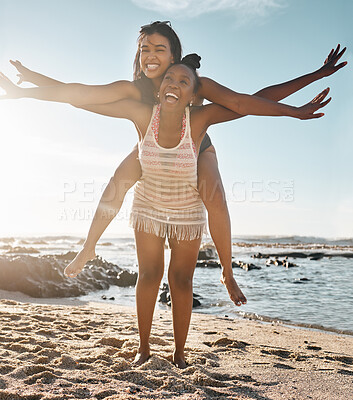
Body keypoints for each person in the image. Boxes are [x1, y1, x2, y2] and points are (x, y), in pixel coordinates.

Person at [0, 50, 331, 367]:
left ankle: (184, 344)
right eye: (169, 79)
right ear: (159, 89)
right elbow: (81, 97)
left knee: (181, 279)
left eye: (183, 82)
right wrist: (27, 88)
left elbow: (248, 102)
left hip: (187, 201)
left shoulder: (201, 118)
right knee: (147, 271)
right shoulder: (142, 111)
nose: (173, 83)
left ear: (193, 96)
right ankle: (141, 345)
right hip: (149, 198)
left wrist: (297, 107)